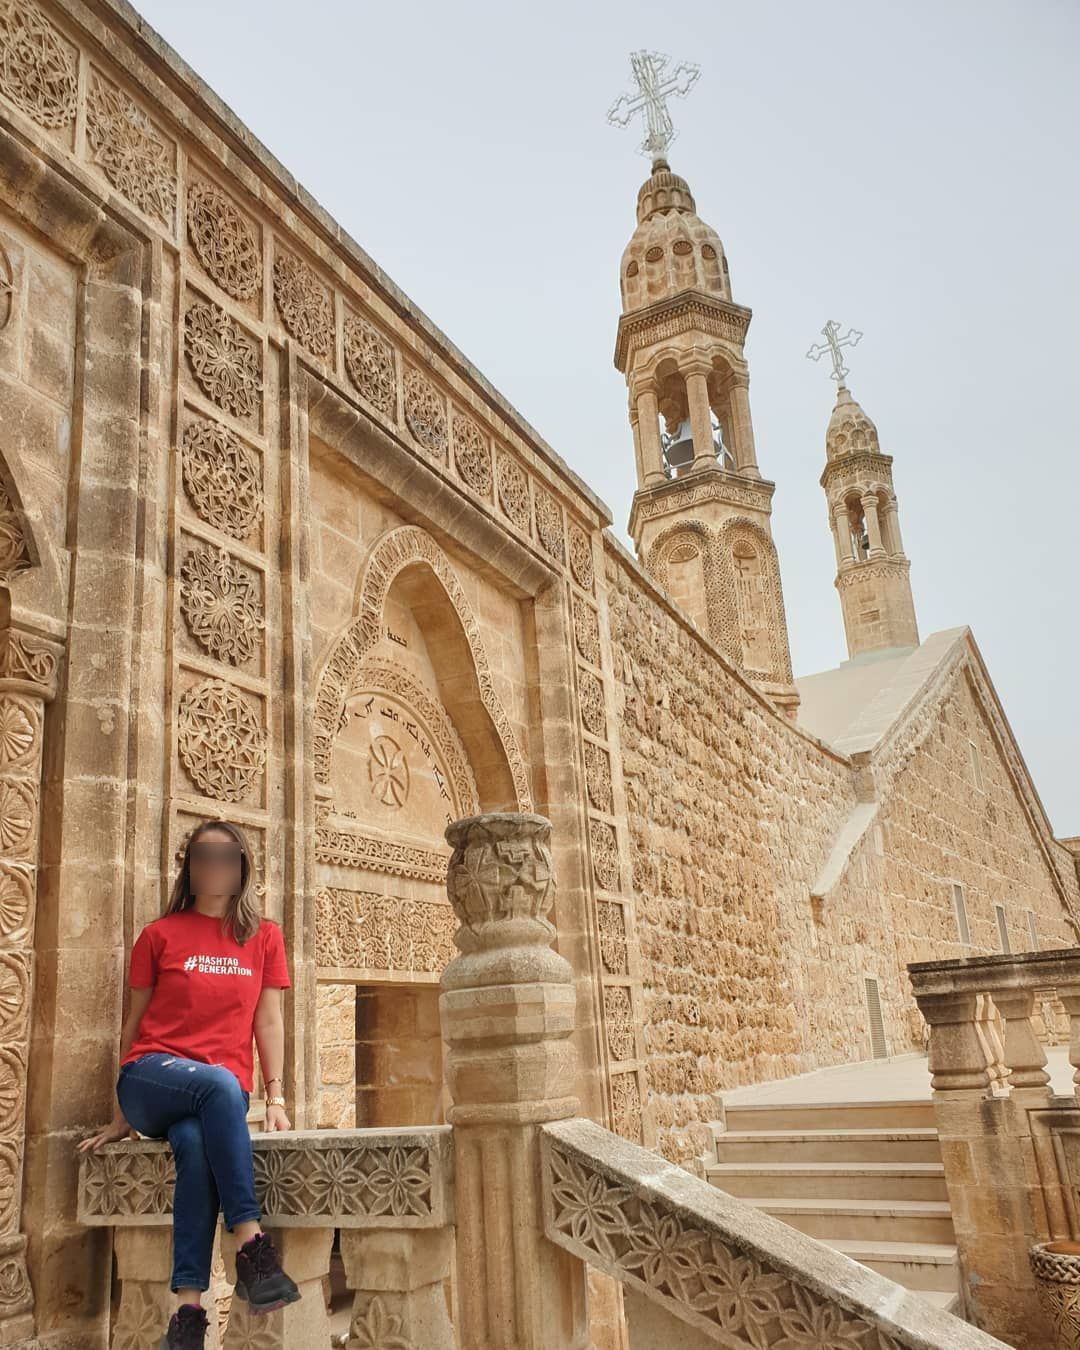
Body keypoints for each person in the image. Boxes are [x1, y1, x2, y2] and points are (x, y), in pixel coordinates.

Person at [76, 819, 301, 1348]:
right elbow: (135, 1023)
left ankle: (188, 1314)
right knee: (222, 1085)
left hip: (215, 1095)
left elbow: (268, 1021)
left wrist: (276, 1096)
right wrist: (119, 1113)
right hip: (150, 1077)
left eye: (226, 856)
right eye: (204, 855)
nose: (214, 866)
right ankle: (250, 1242)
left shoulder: (263, 937)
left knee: (198, 1147)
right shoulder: (159, 935)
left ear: (242, 867)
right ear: (190, 865)